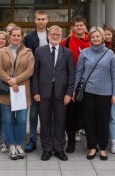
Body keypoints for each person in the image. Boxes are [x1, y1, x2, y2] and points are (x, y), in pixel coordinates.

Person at [32, 25, 75, 161]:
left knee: (60, 122)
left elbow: (71, 74)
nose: (55, 36)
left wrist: (69, 93)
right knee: (44, 122)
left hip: (61, 94)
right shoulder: (39, 51)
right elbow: (35, 73)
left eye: (58, 34)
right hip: (43, 93)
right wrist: (36, 91)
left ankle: (59, 149)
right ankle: (47, 149)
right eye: (53, 34)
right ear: (48, 35)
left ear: (61, 36)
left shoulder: (67, 52)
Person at [75, 27, 115, 161]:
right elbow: (79, 72)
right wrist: (73, 89)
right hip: (88, 92)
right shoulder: (85, 53)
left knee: (103, 121)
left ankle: (103, 147)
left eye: (98, 36)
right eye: (93, 37)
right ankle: (92, 146)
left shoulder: (110, 54)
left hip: (105, 93)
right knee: (89, 121)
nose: (95, 39)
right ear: (90, 38)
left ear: (103, 37)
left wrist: (114, 94)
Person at [0, 26, 34, 160]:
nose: (16, 37)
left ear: (22, 36)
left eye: (18, 35)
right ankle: (11, 145)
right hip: (7, 91)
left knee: (22, 120)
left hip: (22, 91)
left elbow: (30, 71)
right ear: (9, 36)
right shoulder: (2, 51)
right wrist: (9, 81)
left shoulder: (28, 52)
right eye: (13, 35)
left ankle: (19, 145)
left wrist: (16, 80)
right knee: (8, 119)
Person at [60, 16, 91, 153]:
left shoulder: (93, 40)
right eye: (76, 25)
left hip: (90, 82)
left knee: (87, 113)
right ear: (73, 27)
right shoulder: (65, 41)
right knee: (70, 114)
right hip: (71, 82)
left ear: (85, 26)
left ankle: (91, 142)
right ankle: (71, 141)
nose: (79, 27)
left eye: (81, 25)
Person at [23, 10, 49, 153]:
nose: (40, 21)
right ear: (34, 21)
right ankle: (32, 140)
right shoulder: (28, 38)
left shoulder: (52, 36)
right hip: (34, 79)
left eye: (43, 19)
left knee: (47, 112)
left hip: (50, 80)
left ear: (47, 20)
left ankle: (47, 139)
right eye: (38, 19)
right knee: (33, 112)